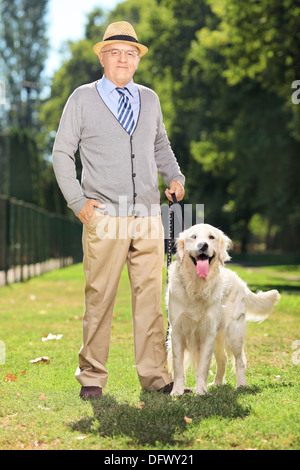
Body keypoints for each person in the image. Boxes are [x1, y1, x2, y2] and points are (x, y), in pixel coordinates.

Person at [52, 21, 186, 399]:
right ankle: (92, 377)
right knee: (100, 297)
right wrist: (78, 202)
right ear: (102, 56)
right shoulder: (82, 98)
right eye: (115, 52)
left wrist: (174, 176)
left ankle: (156, 376)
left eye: (130, 53)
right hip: (104, 217)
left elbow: (160, 145)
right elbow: (62, 153)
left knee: (150, 300)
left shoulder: (150, 99)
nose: (123, 59)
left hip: (148, 216)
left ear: (137, 60)